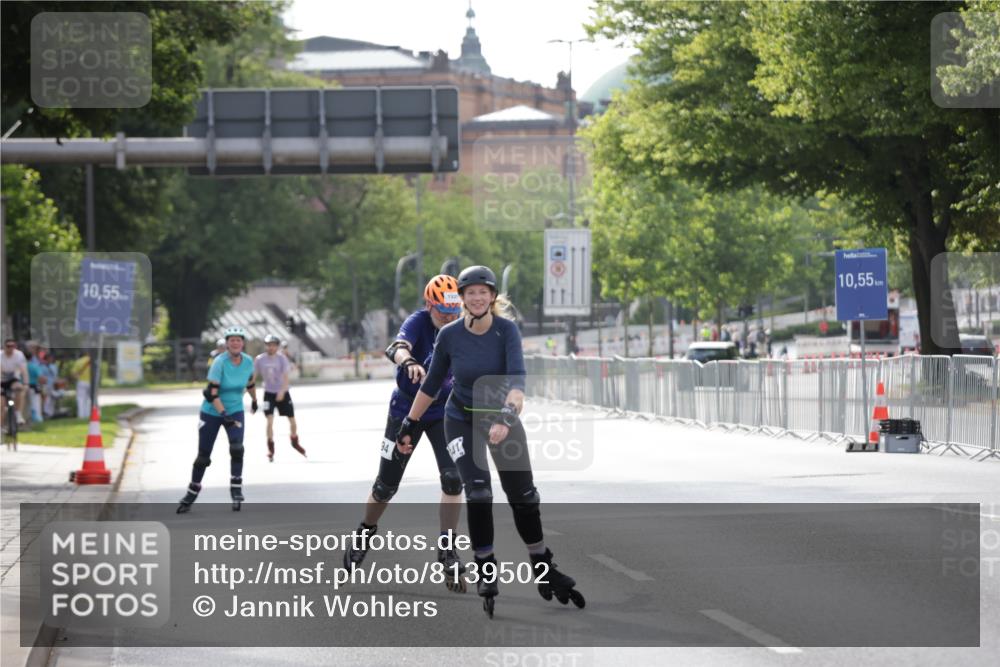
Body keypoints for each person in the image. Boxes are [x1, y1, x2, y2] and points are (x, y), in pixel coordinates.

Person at [397, 266, 585, 617]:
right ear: (463, 299)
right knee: (479, 492)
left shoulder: (506, 331)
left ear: (493, 297)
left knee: (524, 498)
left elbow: (517, 383)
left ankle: (543, 567)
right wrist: (409, 423)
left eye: (484, 292)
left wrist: (506, 418)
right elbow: (432, 383)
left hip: (501, 418)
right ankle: (485, 567)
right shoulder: (450, 335)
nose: (477, 298)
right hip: (461, 420)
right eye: (471, 293)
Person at [343, 275, 467, 590]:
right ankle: (365, 531)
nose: (449, 317)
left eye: (454, 311)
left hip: (442, 414)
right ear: (429, 305)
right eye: (442, 311)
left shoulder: (462, 328)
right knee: (385, 486)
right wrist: (408, 360)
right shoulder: (418, 321)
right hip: (405, 413)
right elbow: (396, 347)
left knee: (453, 479)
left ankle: (447, 548)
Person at [177, 326, 258, 513]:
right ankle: (193, 489)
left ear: (243, 343)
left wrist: (254, 400)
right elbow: (212, 394)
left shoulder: (248, 361)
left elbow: (250, 383)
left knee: (237, 448)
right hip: (212, 412)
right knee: (203, 457)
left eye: (239, 340)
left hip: (236, 409)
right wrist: (224, 415)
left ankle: (236, 488)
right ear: (227, 344)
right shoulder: (219, 362)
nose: (235, 343)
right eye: (232, 340)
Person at [254, 334, 304, 461]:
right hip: (268, 393)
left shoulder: (282, 359)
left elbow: (286, 377)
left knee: (291, 419)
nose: (271, 348)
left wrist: (282, 391)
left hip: (283, 391)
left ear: (277, 346)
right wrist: (249, 390)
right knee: (269, 420)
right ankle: (270, 448)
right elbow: (253, 377)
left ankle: (294, 439)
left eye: (273, 345)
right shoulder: (260, 359)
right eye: (269, 345)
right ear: (266, 346)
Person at [1, 339, 28, 427]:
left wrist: (26, 383)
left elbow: (24, 371)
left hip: (13, 378)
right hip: (1, 379)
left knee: (19, 389)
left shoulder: (19, 355)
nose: (10, 348)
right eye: (8, 346)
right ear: (4, 347)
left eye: (13, 346)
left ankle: (18, 413)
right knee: (1, 405)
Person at [70, 352, 92, 418]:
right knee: (89, 400)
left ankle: (81, 416)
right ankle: (88, 415)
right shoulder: (92, 361)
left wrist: (77, 377)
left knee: (80, 399)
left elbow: (73, 373)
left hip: (81, 382)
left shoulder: (78, 361)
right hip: (91, 382)